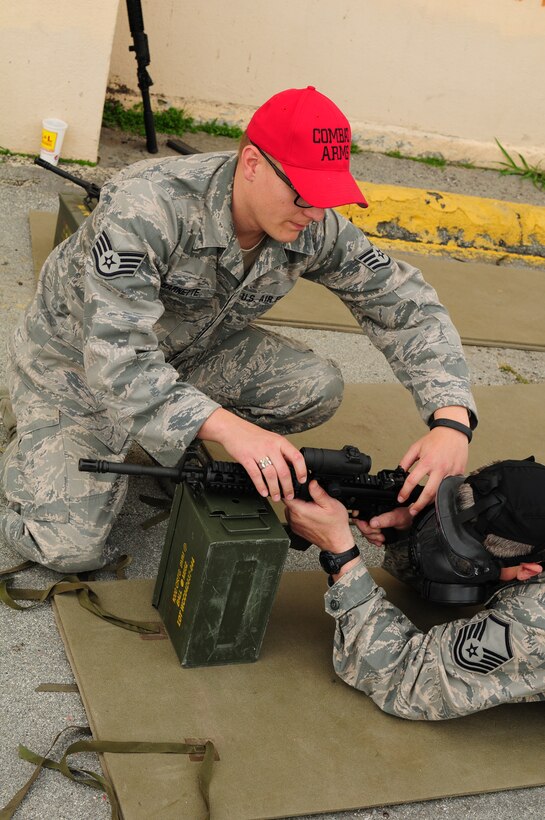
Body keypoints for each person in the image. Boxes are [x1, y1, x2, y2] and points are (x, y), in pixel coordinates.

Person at [0, 85, 476, 573]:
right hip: (77, 370)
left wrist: (451, 420)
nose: (315, 212)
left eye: (326, 196)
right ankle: (38, 440)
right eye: (304, 193)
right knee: (67, 549)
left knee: (316, 387)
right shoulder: (147, 206)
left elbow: (404, 301)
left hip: (184, 355)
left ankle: (166, 429)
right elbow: (118, 362)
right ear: (252, 163)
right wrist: (235, 432)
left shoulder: (309, 221)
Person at [283, 456, 545, 720]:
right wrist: (415, 528)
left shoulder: (535, 617)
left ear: (528, 569)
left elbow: (409, 680)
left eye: (464, 558)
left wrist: (341, 555)